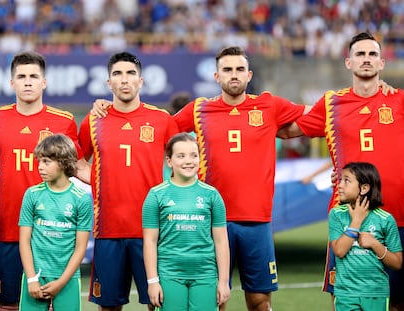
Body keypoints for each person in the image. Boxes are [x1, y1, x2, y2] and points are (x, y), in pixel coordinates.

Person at [91, 46, 308, 311]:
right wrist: (109, 108)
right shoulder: (199, 110)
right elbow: (158, 130)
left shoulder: (269, 105)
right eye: (227, 70)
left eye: (239, 69)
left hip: (257, 221)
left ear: (249, 75)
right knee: (213, 300)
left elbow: (317, 116)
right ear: (216, 76)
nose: (234, 75)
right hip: (207, 219)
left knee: (260, 301)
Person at [278, 31, 404, 311]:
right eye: (360, 54)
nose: (367, 59)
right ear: (348, 62)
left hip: (399, 216)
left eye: (373, 54)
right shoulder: (332, 104)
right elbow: (288, 131)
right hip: (349, 220)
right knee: (345, 300)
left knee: (397, 301)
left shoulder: (399, 100)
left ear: (382, 63)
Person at [78, 51, 178, 311]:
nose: (124, 80)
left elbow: (183, 164)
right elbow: (76, 162)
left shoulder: (161, 120)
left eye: (130, 73)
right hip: (108, 230)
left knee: (159, 303)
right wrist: (100, 181)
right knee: (109, 307)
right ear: (108, 82)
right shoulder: (94, 120)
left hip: (152, 231)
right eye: (117, 74)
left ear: (141, 81)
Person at [0, 51, 90, 311]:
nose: (27, 82)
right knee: (9, 305)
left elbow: (79, 167)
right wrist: (3, 178)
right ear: (11, 83)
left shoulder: (63, 121)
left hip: (54, 233)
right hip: (10, 229)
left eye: (34, 76)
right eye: (21, 76)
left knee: (56, 303)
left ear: (44, 82)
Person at [142, 132, 230, 310]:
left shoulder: (212, 195)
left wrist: (223, 281)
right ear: (169, 161)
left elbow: (221, 241)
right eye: (181, 156)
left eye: (193, 155)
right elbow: (150, 241)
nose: (188, 161)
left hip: (205, 274)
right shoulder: (156, 195)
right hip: (169, 274)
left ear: (200, 158)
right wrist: (153, 281)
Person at [18, 134, 93, 311]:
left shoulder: (81, 199)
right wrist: (31, 278)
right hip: (35, 277)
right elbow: (24, 241)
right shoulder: (32, 194)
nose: (40, 167)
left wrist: (61, 282)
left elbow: (80, 247)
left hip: (67, 279)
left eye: (46, 162)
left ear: (62, 162)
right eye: (39, 162)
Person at [329, 162, 402, 311]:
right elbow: (339, 251)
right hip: (346, 294)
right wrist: (356, 221)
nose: (340, 185)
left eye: (346, 181)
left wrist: (375, 244)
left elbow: (397, 263)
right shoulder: (336, 214)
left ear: (364, 188)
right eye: (340, 180)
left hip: (377, 293)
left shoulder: (385, 219)